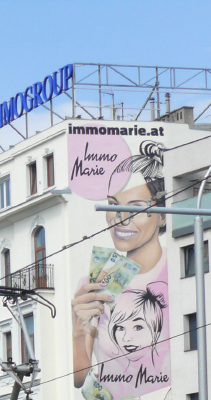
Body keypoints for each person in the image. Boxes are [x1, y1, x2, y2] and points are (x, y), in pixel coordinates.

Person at [73, 142, 168, 387]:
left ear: (163, 214)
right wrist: (79, 331)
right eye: (113, 205)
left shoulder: (183, 269)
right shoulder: (93, 286)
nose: (120, 218)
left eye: (135, 208)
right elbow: (78, 379)